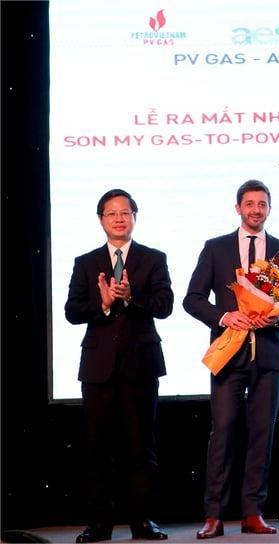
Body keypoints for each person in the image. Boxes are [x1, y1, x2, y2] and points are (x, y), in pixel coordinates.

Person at [183, 180, 279, 539]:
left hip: (268, 354)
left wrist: (278, 316)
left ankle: (253, 512)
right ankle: (214, 516)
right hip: (228, 352)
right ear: (237, 208)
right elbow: (192, 299)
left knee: (261, 435)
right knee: (222, 433)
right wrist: (224, 316)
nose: (255, 210)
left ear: (269, 208)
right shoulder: (216, 248)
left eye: (262, 204)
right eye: (249, 204)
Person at [65, 189, 173, 542]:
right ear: (101, 220)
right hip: (98, 368)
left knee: (141, 446)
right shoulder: (85, 262)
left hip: (141, 364)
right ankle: (100, 525)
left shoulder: (153, 259)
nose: (118, 219)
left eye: (125, 212)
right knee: (97, 448)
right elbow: (72, 311)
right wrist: (105, 304)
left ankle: (142, 522)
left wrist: (132, 297)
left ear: (134, 217)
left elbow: (165, 305)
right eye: (111, 213)